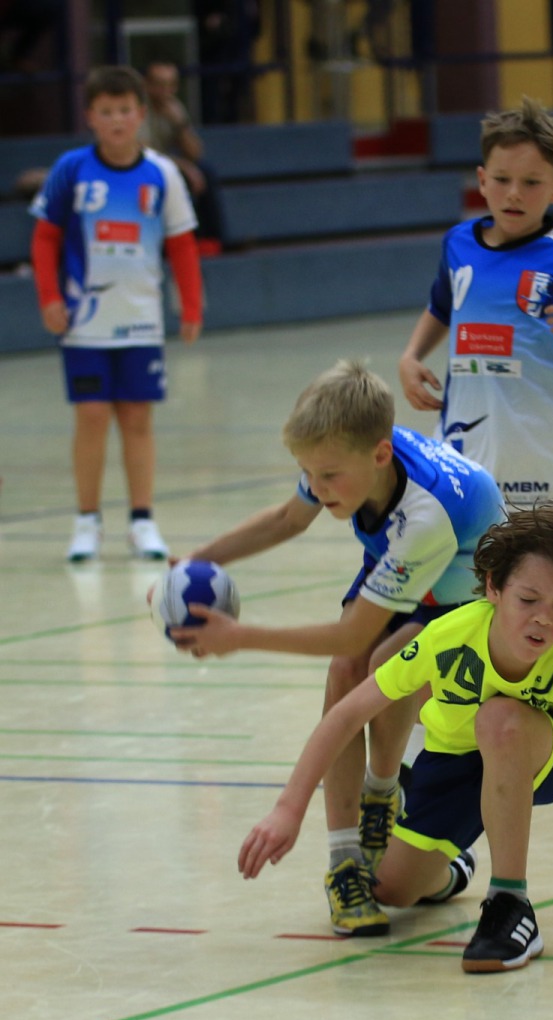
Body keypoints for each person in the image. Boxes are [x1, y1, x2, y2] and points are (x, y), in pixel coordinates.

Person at [238, 503, 553, 970]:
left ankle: (510, 904)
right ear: (494, 587)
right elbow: (345, 717)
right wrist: (288, 809)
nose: (544, 618)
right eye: (529, 600)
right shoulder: (448, 636)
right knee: (392, 889)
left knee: (499, 721)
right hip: (458, 757)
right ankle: (454, 870)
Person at [168, 359, 505, 935]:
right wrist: (200, 560)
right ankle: (344, 862)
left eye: (326, 477)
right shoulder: (346, 454)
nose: (317, 489)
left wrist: (239, 638)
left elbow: (352, 631)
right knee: (349, 669)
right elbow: (286, 519)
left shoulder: (425, 515)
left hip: (471, 597)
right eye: (308, 474)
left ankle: (382, 793)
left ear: (379, 455)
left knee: (383, 660)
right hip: (413, 567)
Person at [397, 95, 553, 654]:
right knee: (464, 599)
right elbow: (442, 307)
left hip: (545, 460)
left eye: (531, 183)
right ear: (482, 180)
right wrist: (411, 355)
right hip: (466, 457)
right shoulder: (459, 244)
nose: (514, 193)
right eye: (503, 180)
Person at [29, 64, 203, 564]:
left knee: (137, 418)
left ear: (141, 114)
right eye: (106, 112)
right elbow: (44, 239)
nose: (117, 120)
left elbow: (182, 243)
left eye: (125, 110)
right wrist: (49, 297)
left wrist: (190, 305)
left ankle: (142, 521)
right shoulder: (71, 170)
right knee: (91, 417)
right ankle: (87, 521)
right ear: (90, 116)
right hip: (84, 319)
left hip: (141, 318)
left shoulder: (162, 174)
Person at [141, 61, 225, 251]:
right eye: (159, 84)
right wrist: (184, 166)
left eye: (170, 85)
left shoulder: (174, 107)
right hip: (143, 170)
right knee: (176, 177)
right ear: (147, 85)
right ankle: (167, 246)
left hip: (168, 167)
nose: (165, 91)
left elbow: (195, 153)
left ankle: (211, 242)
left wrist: (180, 124)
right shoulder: (139, 109)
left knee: (206, 172)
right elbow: (145, 154)